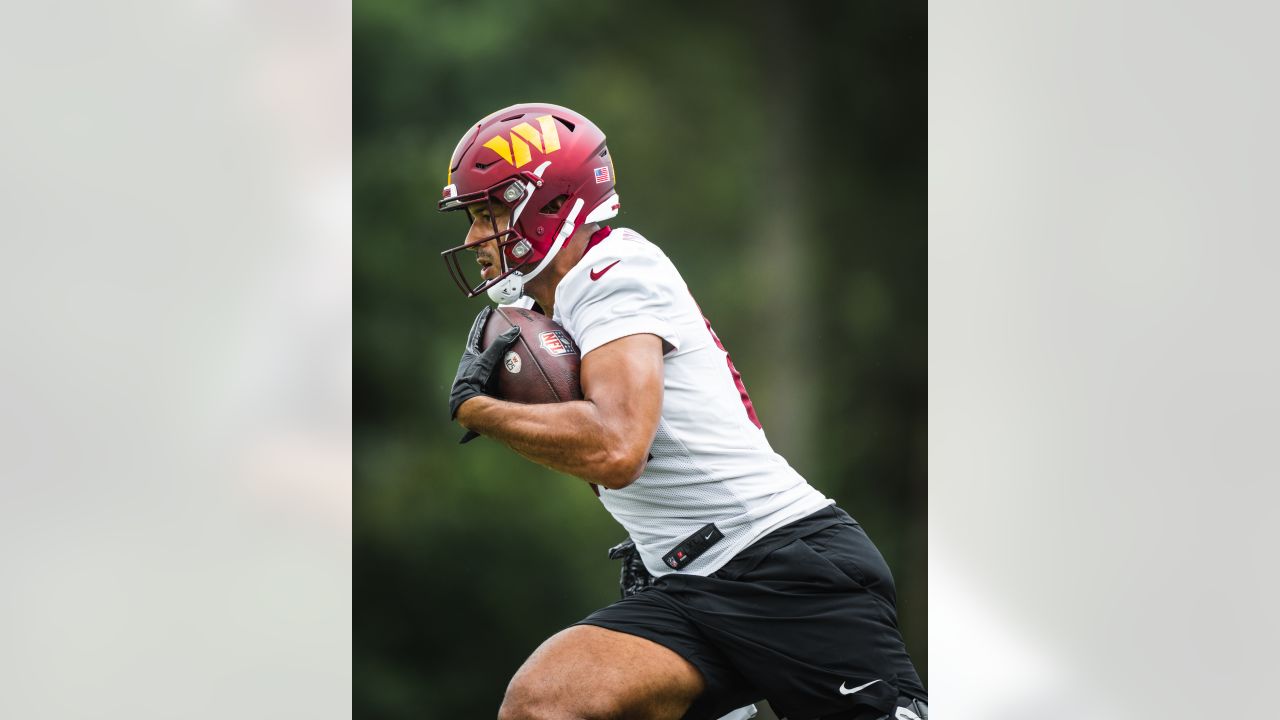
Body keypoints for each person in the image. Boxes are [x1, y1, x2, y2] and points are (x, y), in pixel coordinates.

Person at [440, 103, 927, 720]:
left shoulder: (612, 272)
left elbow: (617, 449)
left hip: (785, 568)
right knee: (544, 704)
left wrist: (478, 410)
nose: (473, 238)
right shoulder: (559, 308)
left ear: (549, 203)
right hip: (691, 580)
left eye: (488, 213)